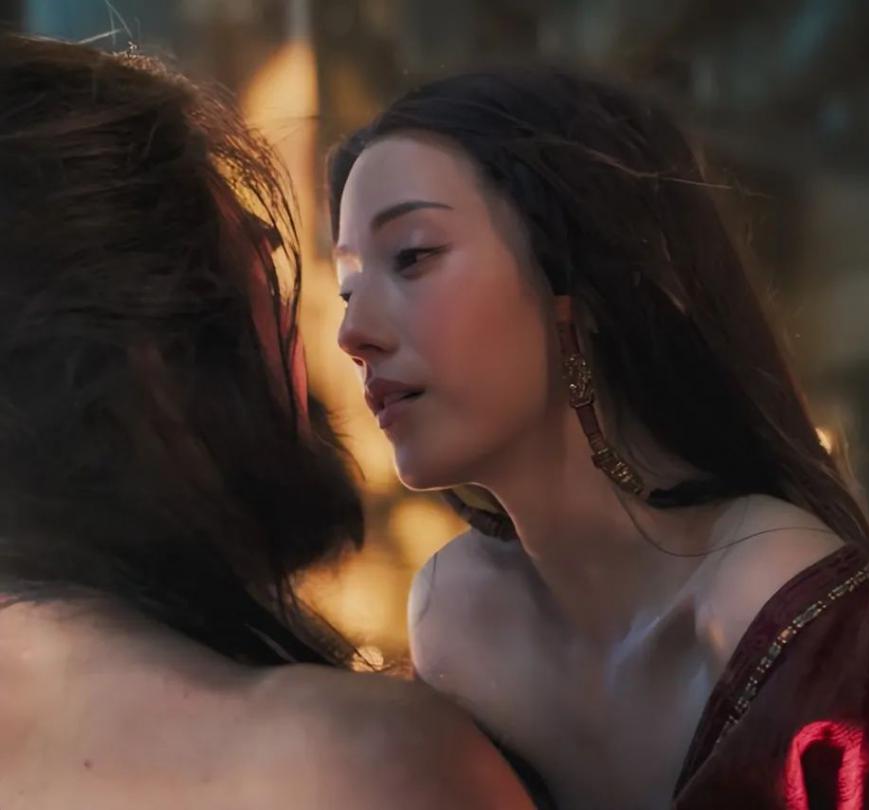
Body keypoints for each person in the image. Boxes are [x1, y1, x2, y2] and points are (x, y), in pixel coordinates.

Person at [329, 67, 869, 809]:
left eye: (412, 256)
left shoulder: (773, 602)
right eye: (347, 287)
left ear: (576, 285)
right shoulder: (455, 615)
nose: (352, 333)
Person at [0, 34, 534, 810]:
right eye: (260, 270)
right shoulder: (348, 765)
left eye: (414, 259)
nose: (347, 335)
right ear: (151, 347)